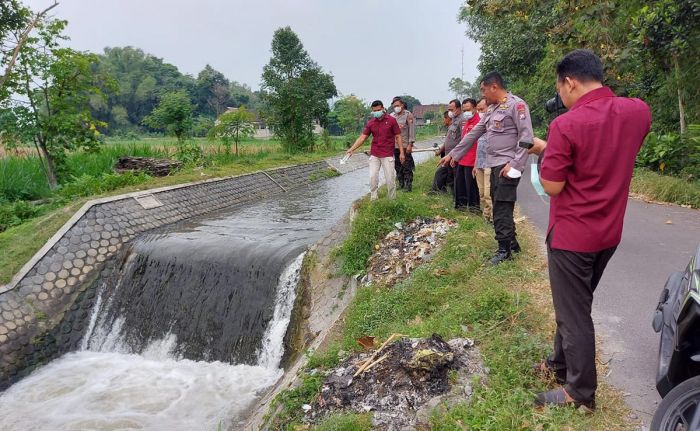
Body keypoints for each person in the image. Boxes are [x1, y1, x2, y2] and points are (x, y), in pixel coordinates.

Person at [527, 49, 651, 410]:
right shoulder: (637, 112)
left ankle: (579, 393)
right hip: (608, 233)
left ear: (569, 82)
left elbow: (552, 186)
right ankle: (559, 364)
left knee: (574, 313)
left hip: (572, 236)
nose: (561, 98)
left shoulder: (565, 125)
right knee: (575, 303)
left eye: (560, 90)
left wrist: (544, 151)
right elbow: (602, 156)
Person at [440, 72, 532, 265]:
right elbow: (473, 134)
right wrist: (453, 155)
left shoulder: (517, 105)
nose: (482, 94)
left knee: (501, 206)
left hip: (508, 164)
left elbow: (526, 138)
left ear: (494, 87)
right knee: (501, 203)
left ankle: (503, 250)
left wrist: (515, 164)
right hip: (494, 164)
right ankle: (512, 244)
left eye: (483, 90)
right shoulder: (491, 110)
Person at [346, 100, 404, 200]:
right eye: (374, 111)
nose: (376, 112)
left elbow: (398, 136)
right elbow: (362, 138)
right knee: (372, 177)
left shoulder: (391, 120)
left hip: (387, 154)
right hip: (375, 154)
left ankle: (392, 199)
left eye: (378, 110)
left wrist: (401, 153)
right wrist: (351, 149)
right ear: (372, 111)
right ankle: (374, 199)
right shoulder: (371, 123)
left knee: (390, 179)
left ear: (382, 108)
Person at [431, 99, 464, 193]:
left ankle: (457, 197)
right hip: (448, 154)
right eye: (448, 109)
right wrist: (441, 150)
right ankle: (452, 195)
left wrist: (455, 154)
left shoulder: (462, 120)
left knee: (455, 177)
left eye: (451, 109)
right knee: (449, 176)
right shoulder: (453, 120)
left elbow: (464, 139)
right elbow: (448, 140)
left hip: (455, 155)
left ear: (458, 108)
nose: (449, 112)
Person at [453, 98, 480, 211]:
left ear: (475, 108)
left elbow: (480, 144)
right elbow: (462, 142)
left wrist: (476, 163)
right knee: (460, 184)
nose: (466, 112)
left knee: (471, 187)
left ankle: (474, 209)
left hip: (472, 159)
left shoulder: (479, 122)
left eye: (468, 109)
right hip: (462, 158)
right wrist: (455, 156)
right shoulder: (466, 122)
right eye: (464, 110)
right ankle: (461, 207)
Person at [472, 98, 492, 222]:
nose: (479, 112)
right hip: (479, 163)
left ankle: (493, 219)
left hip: (490, 164)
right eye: (478, 109)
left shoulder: (494, 124)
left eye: (481, 109)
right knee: (482, 194)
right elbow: (477, 147)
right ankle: (486, 218)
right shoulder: (479, 126)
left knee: (488, 194)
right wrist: (475, 165)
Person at [390, 97, 416, 191]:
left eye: (397, 105)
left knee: (406, 165)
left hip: (405, 145)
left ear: (402, 105)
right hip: (395, 146)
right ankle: (400, 183)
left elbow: (412, 131)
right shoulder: (392, 116)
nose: (396, 107)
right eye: (394, 106)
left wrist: (410, 144)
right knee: (397, 166)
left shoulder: (408, 115)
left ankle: (408, 185)